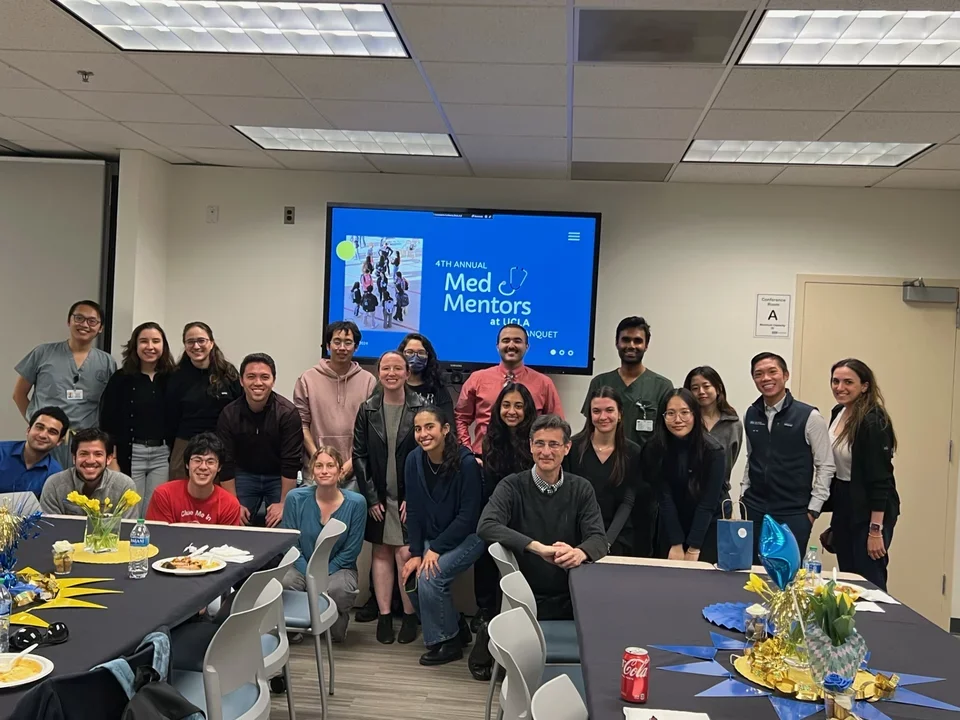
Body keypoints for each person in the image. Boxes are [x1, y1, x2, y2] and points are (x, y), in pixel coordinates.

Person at [477, 414, 607, 620]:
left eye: (554, 444)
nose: (546, 452)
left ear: (567, 448)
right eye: (540, 444)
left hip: (572, 596)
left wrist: (580, 553)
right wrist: (538, 548)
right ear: (530, 446)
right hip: (521, 596)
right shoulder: (511, 486)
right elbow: (486, 525)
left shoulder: (582, 488)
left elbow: (599, 539)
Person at [401, 406, 484, 665]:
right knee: (412, 577)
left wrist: (434, 549)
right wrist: (416, 553)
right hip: (434, 538)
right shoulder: (414, 459)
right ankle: (455, 626)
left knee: (430, 576)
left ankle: (447, 643)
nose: (423, 434)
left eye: (429, 427)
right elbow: (412, 510)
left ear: (445, 430)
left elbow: (468, 517)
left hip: (469, 537)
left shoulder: (466, 463)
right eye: (418, 429)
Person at [353, 350, 423, 644]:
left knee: (405, 553)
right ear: (378, 373)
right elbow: (359, 455)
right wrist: (370, 498)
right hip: (379, 496)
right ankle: (384, 615)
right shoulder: (367, 409)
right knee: (380, 552)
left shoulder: (420, 408)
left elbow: (428, 455)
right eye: (385, 368)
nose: (391, 373)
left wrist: (416, 497)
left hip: (409, 497)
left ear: (408, 373)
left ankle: (409, 616)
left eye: (398, 368)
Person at [742, 352, 835, 556]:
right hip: (754, 508)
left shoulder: (809, 416)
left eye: (772, 372)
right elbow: (751, 457)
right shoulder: (750, 414)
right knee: (750, 574)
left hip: (793, 512)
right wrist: (743, 494)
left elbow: (826, 465)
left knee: (787, 577)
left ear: (785, 375)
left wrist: (813, 510)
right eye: (759, 374)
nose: (765, 378)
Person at [820, 359, 899, 591]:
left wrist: (875, 530)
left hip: (872, 508)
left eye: (848, 382)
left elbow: (880, 480)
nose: (839, 387)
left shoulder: (873, 422)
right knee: (847, 579)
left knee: (869, 581)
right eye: (835, 381)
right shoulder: (838, 412)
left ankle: (877, 627)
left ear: (864, 386)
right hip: (846, 501)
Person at [13, 300, 117, 469]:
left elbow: (110, 405)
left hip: (85, 443)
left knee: (81, 492)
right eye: (79, 318)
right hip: (48, 440)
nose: (84, 325)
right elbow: (18, 394)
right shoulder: (43, 353)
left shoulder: (106, 362)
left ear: (100, 328)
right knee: (45, 486)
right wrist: (37, 425)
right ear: (69, 321)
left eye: (92, 321)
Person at [281, 446, 366, 642]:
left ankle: (335, 626)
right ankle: (294, 628)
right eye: (318, 466)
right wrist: (310, 572)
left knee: (339, 590)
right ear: (312, 471)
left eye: (330, 465)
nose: (324, 471)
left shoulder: (357, 503)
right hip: (300, 564)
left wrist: (322, 574)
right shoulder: (295, 498)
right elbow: (290, 543)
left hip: (339, 568)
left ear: (340, 471)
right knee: (285, 581)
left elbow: (351, 550)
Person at [473, 382, 537, 627]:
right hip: (498, 514)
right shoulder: (491, 441)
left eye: (519, 406)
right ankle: (485, 609)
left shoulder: (535, 442)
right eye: (507, 405)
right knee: (485, 549)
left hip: (528, 515)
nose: (512, 411)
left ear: (527, 410)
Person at [218, 353, 302, 527]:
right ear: (241, 381)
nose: (258, 383)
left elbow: (291, 462)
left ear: (273, 380)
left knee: (283, 523)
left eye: (264, 377)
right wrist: (233, 504)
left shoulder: (287, 413)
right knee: (233, 520)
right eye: (251, 377)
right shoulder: (229, 414)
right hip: (244, 474)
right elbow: (225, 462)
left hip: (278, 476)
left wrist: (284, 503)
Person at [643, 389, 726, 564]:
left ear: (695, 414)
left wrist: (694, 546)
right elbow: (664, 498)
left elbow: (708, 503)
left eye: (684, 412)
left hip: (706, 527)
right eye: (670, 413)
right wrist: (676, 543)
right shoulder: (654, 448)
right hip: (671, 524)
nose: (677, 420)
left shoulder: (714, 451)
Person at [99, 322, 175, 508]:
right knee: (129, 508)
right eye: (144, 341)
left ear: (163, 346)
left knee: (155, 508)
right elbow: (107, 422)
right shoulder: (121, 378)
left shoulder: (173, 377)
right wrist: (113, 460)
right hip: (131, 454)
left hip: (162, 455)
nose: (150, 346)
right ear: (135, 346)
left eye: (156, 341)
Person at [455, 324, 563, 454]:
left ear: (527, 347)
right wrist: (467, 452)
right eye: (506, 341)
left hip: (528, 460)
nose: (511, 345)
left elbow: (556, 424)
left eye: (517, 341)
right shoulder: (477, 379)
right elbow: (460, 418)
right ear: (497, 346)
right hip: (484, 460)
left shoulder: (544, 383)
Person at [565, 387, 644, 556]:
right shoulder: (572, 448)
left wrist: (605, 542)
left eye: (609, 410)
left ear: (620, 414)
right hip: (577, 539)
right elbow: (567, 498)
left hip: (617, 538)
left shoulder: (633, 451)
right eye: (596, 411)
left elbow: (628, 501)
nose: (603, 417)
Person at [294, 321, 377, 481]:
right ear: (327, 345)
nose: (342, 348)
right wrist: (317, 458)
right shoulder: (307, 379)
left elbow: (371, 429)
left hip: (354, 471)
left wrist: (351, 463)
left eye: (348, 342)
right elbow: (302, 424)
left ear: (356, 347)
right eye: (337, 342)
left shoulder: (369, 381)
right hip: (316, 471)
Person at [164, 322, 241, 481]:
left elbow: (239, 411)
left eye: (201, 340)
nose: (196, 346)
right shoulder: (176, 376)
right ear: (185, 345)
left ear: (211, 343)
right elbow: (170, 416)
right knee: (180, 492)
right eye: (190, 341)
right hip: (185, 443)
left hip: (221, 444)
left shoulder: (228, 373)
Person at [581, 316, 672, 449]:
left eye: (638, 341)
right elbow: (589, 428)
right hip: (606, 460)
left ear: (646, 345)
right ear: (616, 343)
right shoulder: (600, 382)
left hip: (646, 464)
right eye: (626, 340)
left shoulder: (662, 386)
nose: (631, 346)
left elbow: (667, 434)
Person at [146, 432, 242, 525]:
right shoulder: (164, 495)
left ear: (219, 467)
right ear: (187, 464)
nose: (203, 467)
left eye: (210, 462)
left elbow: (226, 541)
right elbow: (159, 536)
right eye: (197, 460)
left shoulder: (230, 505)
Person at [40, 428, 138, 517]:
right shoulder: (54, 485)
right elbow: (49, 530)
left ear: (108, 459)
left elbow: (127, 531)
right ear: (74, 458)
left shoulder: (124, 486)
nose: (90, 460)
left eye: (98, 454)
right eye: (84, 454)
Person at [684, 366, 743, 498]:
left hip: (719, 494)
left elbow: (730, 460)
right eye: (695, 388)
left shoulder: (733, 424)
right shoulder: (685, 421)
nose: (701, 391)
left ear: (718, 388)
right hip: (687, 493)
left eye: (706, 386)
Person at [0, 407, 70, 496]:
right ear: (28, 430)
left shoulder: (55, 475)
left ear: (59, 441)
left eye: (52, 432)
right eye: (39, 427)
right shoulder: (1, 452)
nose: (43, 435)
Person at [399, 333, 453, 425]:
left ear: (428, 357)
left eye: (421, 353)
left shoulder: (438, 388)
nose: (415, 357)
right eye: (410, 352)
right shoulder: (393, 386)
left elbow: (449, 425)